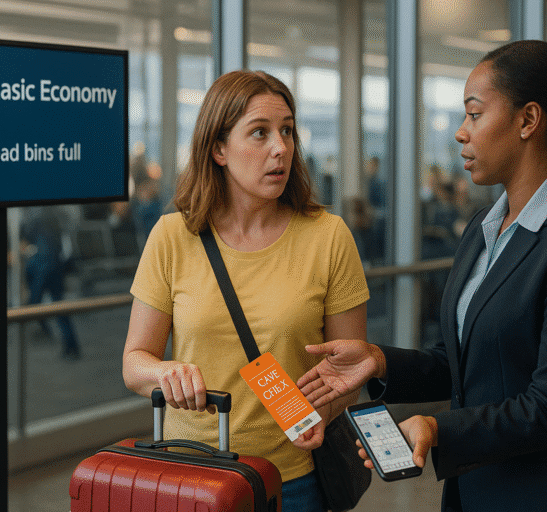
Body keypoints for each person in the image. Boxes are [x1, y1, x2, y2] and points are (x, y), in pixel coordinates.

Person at [297, 40, 547, 512]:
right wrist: (379, 360)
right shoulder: (485, 228)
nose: (459, 132)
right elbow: (467, 361)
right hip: (476, 490)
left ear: (527, 120)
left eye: (474, 114)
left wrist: (437, 428)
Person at [122, 70, 370, 512]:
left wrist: (328, 410)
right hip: (191, 475)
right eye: (259, 132)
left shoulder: (328, 237)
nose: (281, 147)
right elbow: (134, 362)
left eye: (288, 131)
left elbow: (348, 368)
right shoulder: (173, 236)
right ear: (218, 149)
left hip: (290, 480)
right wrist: (166, 374)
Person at [20, 206, 81, 360]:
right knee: (59, 308)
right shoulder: (53, 214)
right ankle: (71, 345)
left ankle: (47, 333)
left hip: (43, 266)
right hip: (55, 265)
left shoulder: (33, 217)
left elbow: (27, 240)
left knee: (34, 304)